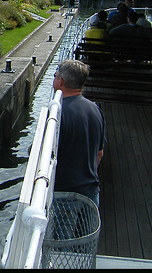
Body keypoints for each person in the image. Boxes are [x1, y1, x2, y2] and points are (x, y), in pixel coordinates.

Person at [53, 60, 105, 207]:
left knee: (63, 231)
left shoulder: (57, 115)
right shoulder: (95, 109)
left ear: (60, 81)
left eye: (55, 75)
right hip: (91, 193)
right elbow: (99, 154)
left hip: (65, 194)